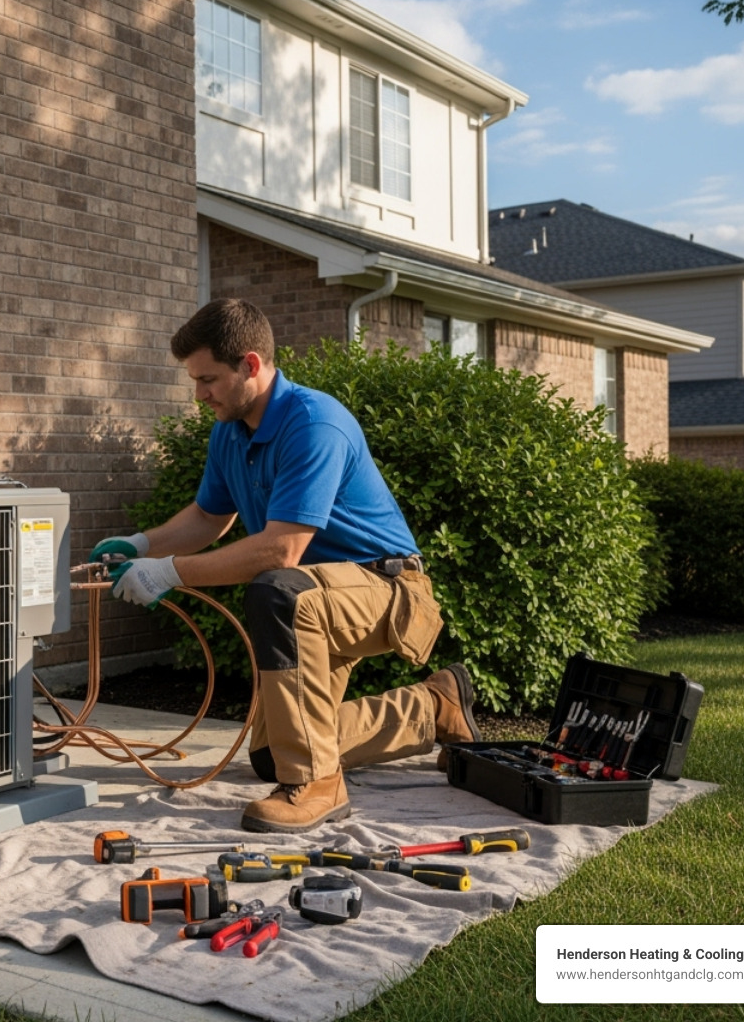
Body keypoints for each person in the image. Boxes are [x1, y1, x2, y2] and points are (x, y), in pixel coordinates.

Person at [91, 298, 481, 834]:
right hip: (314, 597)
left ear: (250, 365)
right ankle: (433, 708)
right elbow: (209, 516)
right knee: (275, 757)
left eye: (208, 379)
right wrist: (141, 545)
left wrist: (168, 573)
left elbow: (281, 551)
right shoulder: (230, 431)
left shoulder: (314, 423)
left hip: (387, 587)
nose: (199, 394)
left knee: (276, 590)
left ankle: (320, 785)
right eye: (195, 380)